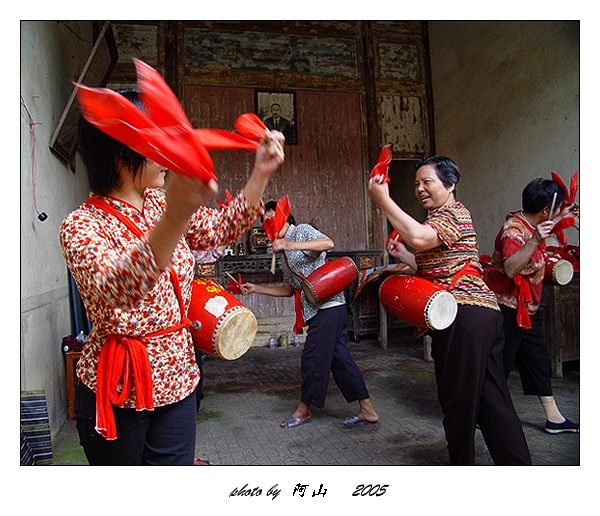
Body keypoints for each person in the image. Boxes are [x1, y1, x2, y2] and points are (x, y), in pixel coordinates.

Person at [59, 89, 285, 465]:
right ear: (121, 153)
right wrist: (176, 217)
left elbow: (216, 231)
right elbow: (119, 290)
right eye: (158, 144)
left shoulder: (162, 203)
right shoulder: (81, 225)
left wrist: (260, 173)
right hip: (119, 389)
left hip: (179, 378)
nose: (169, 156)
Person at [369, 154, 531, 465]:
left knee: (458, 405)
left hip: (465, 317)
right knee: (491, 402)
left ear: (450, 184)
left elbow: (418, 235)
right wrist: (404, 252)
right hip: (483, 315)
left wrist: (383, 200)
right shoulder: (440, 219)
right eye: (417, 184)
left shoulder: (452, 214)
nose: (420, 189)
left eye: (427, 182)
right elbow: (439, 268)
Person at [240, 200, 379, 429]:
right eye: (265, 220)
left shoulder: (301, 231)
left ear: (285, 217)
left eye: (272, 217)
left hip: (329, 305)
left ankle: (304, 410)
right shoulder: (282, 254)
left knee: (313, 357)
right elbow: (288, 289)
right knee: (340, 360)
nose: (268, 222)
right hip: (315, 309)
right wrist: (257, 288)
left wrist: (290, 244)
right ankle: (367, 409)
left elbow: (328, 243)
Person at [485, 178, 580, 434]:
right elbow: (511, 267)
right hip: (506, 310)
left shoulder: (533, 222)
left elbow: (544, 227)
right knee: (498, 366)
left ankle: (554, 418)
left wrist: (565, 215)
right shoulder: (514, 231)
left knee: (538, 360)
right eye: (556, 207)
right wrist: (534, 241)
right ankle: (481, 414)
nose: (558, 210)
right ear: (544, 211)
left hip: (527, 309)